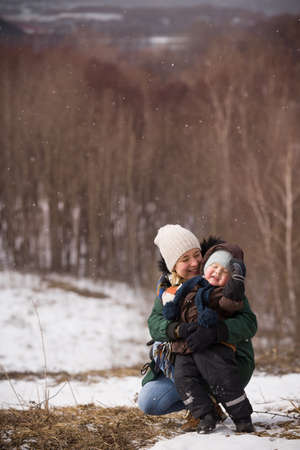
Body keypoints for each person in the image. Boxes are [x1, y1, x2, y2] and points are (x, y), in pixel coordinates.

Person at [138, 225, 257, 431]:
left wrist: (217, 331)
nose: (194, 263)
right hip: (186, 363)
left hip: (226, 361)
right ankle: (204, 408)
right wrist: (177, 330)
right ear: (173, 266)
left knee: (211, 365)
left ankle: (231, 408)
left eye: (196, 255)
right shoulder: (169, 290)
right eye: (185, 260)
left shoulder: (221, 277)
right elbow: (154, 324)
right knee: (151, 400)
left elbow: (249, 323)